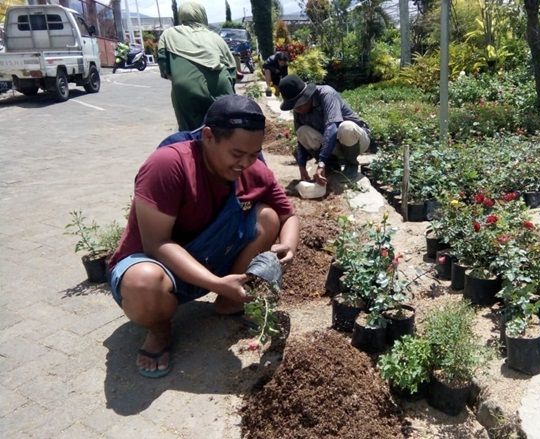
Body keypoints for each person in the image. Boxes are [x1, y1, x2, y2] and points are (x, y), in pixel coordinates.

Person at [108, 95, 300, 378]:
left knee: (267, 217)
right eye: (237, 154)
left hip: (212, 258)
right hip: (160, 264)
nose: (246, 163)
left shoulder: (253, 169)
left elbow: (288, 216)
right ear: (208, 136)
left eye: (253, 153)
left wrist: (288, 245)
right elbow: (157, 243)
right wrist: (217, 283)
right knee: (143, 282)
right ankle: (160, 330)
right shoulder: (169, 165)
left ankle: (228, 303)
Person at [157, 1, 238, 131]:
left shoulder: (168, 34)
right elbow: (232, 67)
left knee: (191, 134)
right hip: (221, 86)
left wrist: (180, 77)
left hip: (185, 88)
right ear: (203, 15)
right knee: (225, 131)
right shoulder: (215, 37)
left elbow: (163, 65)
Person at [278, 74, 371, 185]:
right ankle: (331, 165)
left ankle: (351, 164)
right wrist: (302, 165)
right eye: (294, 107)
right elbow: (301, 140)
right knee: (302, 131)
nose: (297, 109)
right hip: (334, 146)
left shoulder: (327, 94)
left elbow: (332, 128)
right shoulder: (298, 111)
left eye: (299, 105)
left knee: (346, 127)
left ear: (307, 96)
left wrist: (321, 163)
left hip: (357, 142)